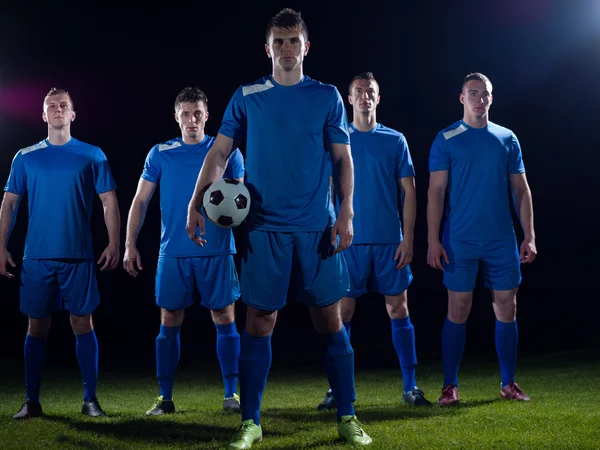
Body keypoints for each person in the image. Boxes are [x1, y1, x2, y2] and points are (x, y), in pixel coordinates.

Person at [186, 8, 372, 449]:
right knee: (259, 320)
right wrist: (196, 203)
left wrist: (346, 211)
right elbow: (218, 155)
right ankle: (251, 421)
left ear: (306, 47)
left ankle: (347, 415)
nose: (286, 49)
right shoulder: (247, 95)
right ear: (267, 47)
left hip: (316, 226)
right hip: (261, 228)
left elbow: (343, 159)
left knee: (330, 319)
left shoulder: (326, 96)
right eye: (278, 42)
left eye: (293, 42)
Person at [0, 87, 120, 419]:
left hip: (78, 256)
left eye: (63, 105)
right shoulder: (25, 156)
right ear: (43, 115)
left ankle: (90, 400)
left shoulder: (92, 154)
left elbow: (109, 200)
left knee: (83, 323)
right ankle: (31, 401)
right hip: (36, 257)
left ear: (72, 114)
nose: (57, 110)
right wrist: (0, 246)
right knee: (36, 326)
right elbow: (10, 203)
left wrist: (114, 243)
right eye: (51, 106)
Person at [123, 87, 245, 415]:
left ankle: (231, 395)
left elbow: (239, 198)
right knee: (169, 319)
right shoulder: (160, 152)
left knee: (224, 316)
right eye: (186, 114)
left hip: (217, 250)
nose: (192, 120)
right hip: (172, 251)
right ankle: (165, 399)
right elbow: (140, 200)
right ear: (176, 117)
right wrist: (129, 244)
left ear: (207, 116)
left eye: (198, 114)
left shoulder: (227, 151)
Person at [317, 72, 432, 411]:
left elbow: (409, 191)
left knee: (399, 308)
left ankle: (411, 387)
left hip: (388, 242)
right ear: (349, 99)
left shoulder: (395, 140)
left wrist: (408, 238)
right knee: (342, 313)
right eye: (358, 92)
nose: (365, 96)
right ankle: (336, 389)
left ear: (378, 99)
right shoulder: (338, 140)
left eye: (371, 92)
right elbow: (327, 190)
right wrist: (330, 230)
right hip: (349, 242)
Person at [426, 72, 537, 406]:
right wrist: (432, 239)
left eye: (484, 94)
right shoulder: (446, 138)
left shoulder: (506, 138)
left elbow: (521, 190)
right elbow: (436, 192)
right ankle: (449, 386)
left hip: (501, 239)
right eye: (472, 93)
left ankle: (508, 382)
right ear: (462, 98)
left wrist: (529, 235)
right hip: (460, 240)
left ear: (491, 98)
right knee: (458, 308)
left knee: (507, 307)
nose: (479, 99)